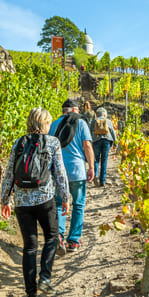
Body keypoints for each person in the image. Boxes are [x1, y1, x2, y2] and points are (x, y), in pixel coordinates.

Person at [0, 107, 70, 297]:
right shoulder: (52, 142)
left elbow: (9, 174)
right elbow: (60, 173)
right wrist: (66, 197)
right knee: (52, 236)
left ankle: (31, 294)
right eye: (48, 122)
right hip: (45, 200)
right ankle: (45, 278)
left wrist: (4, 200)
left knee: (29, 247)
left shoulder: (19, 142)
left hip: (22, 203)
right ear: (44, 124)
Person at [49, 99, 95, 253]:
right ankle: (74, 241)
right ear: (75, 110)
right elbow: (87, 145)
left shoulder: (54, 124)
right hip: (77, 171)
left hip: (58, 171)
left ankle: (59, 236)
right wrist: (91, 167)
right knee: (78, 205)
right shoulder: (81, 123)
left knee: (59, 202)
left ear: (63, 111)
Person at [90, 107, 117, 187]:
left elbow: (89, 131)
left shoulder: (93, 121)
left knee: (96, 159)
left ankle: (96, 175)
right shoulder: (108, 121)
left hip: (96, 141)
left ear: (97, 115)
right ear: (105, 115)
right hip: (107, 140)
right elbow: (112, 132)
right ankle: (103, 180)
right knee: (104, 160)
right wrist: (115, 143)